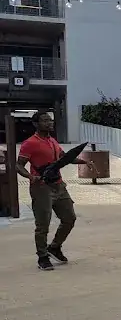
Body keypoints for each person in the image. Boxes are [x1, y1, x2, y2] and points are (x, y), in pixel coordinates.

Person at [16, 111, 93, 271]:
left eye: (50, 120)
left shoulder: (52, 141)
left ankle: (55, 247)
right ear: (36, 124)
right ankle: (42, 257)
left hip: (59, 185)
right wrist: (31, 177)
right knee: (42, 225)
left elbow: (64, 158)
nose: (49, 123)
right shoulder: (29, 143)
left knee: (69, 218)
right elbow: (19, 165)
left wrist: (83, 161)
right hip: (41, 188)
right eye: (45, 121)